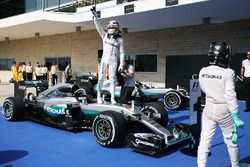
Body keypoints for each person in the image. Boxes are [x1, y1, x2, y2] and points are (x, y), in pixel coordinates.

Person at [197, 42, 246, 167]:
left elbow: (203, 89)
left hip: (208, 108)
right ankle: (235, 165)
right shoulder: (228, 72)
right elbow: (230, 95)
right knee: (231, 141)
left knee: (204, 141)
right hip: (224, 110)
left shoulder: (202, 70)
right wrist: (236, 116)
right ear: (225, 56)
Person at [91, 6, 125, 104]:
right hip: (104, 59)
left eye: (114, 27)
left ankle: (113, 98)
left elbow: (122, 52)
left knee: (112, 79)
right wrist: (95, 16)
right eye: (110, 27)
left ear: (117, 28)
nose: (112, 28)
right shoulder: (104, 36)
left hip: (114, 59)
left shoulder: (120, 39)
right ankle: (98, 96)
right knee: (101, 78)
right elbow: (98, 26)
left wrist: (121, 64)